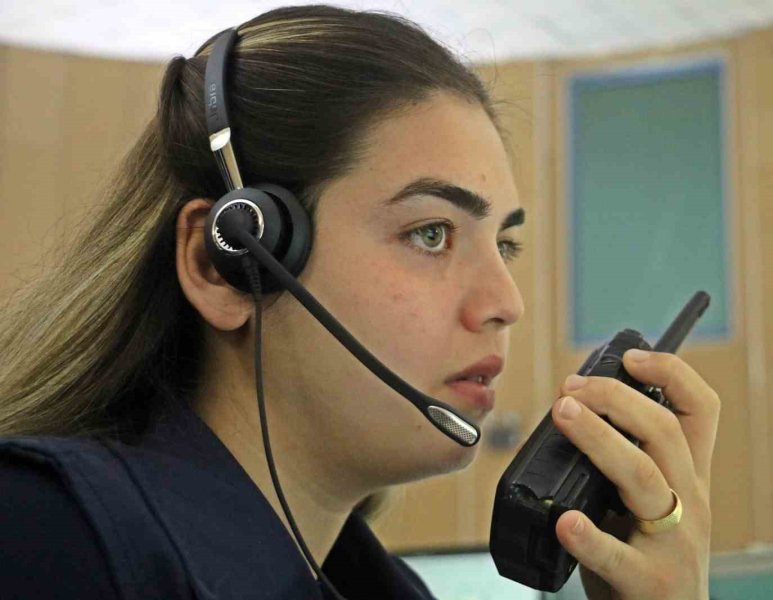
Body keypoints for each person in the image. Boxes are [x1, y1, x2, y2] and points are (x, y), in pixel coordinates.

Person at [0, 5, 720, 599]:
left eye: (504, 244)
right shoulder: (44, 535)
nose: (506, 303)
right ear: (221, 267)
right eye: (431, 233)